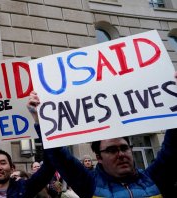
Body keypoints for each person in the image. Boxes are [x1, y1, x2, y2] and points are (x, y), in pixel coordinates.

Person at [27, 71, 177, 198]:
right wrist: (42, 122)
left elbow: (174, 146)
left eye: (124, 148)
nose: (121, 154)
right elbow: (60, 156)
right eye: (111, 150)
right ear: (98, 157)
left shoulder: (154, 178)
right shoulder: (90, 184)